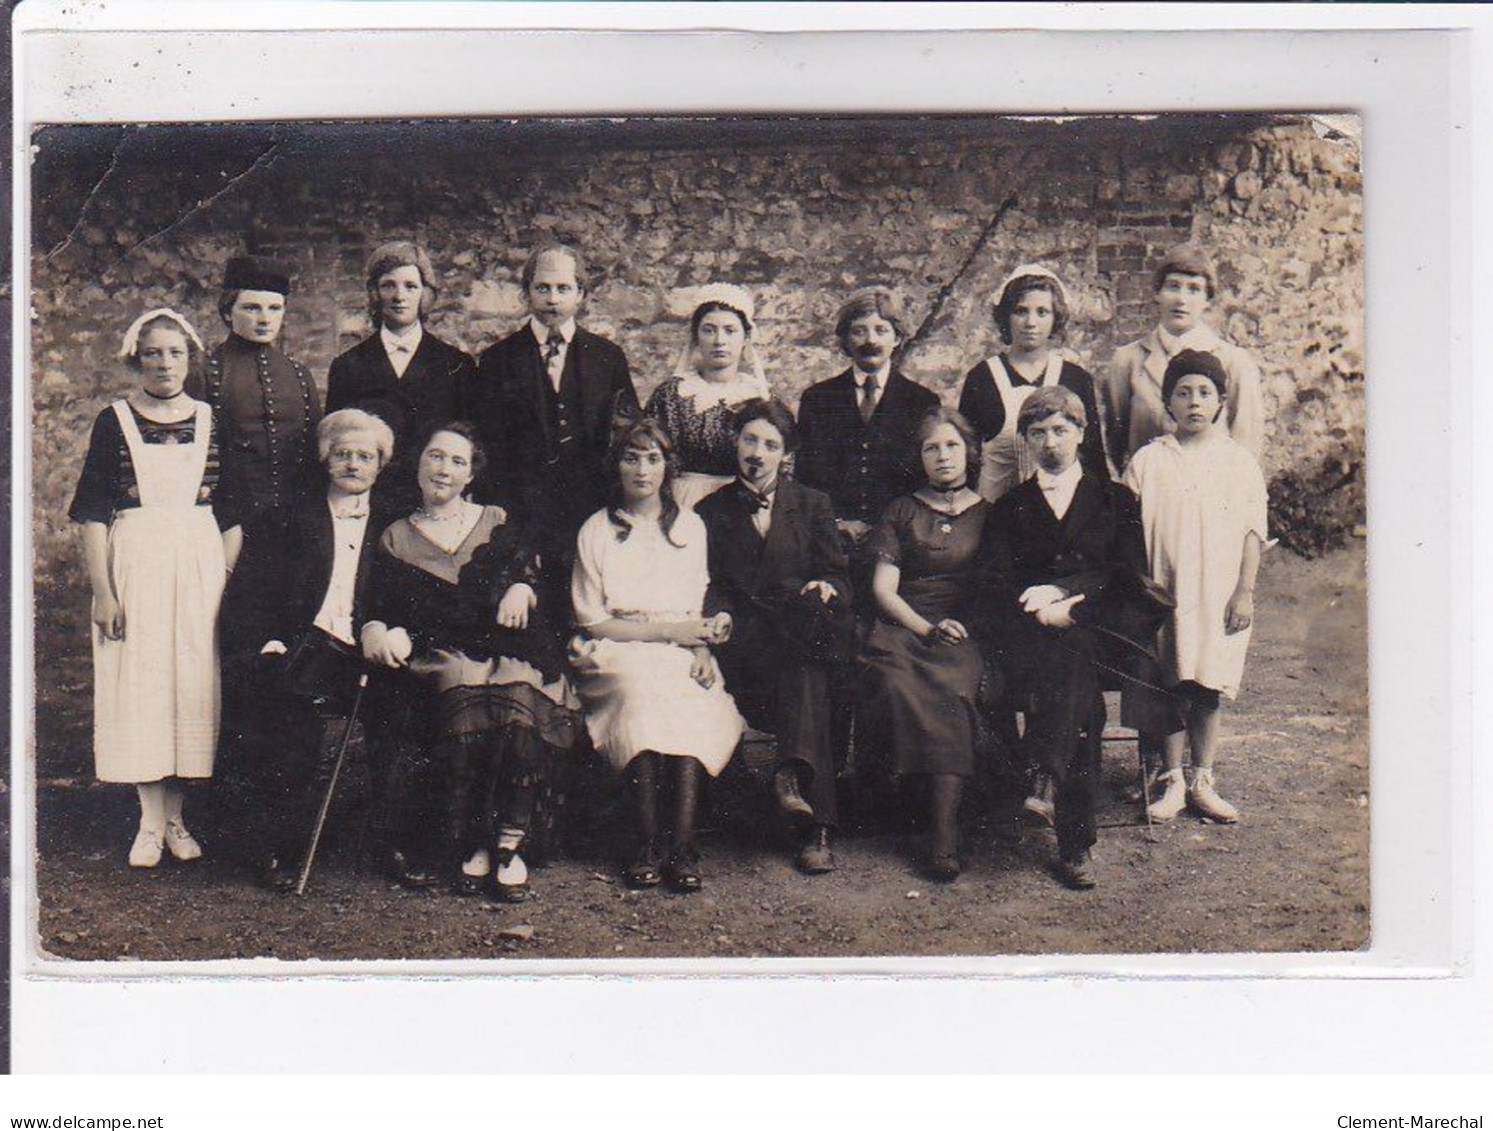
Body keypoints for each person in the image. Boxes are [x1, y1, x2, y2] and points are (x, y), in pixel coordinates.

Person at [361, 423, 579, 902]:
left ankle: (509, 843)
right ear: (417, 465)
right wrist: (383, 628)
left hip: (507, 644)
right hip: (441, 647)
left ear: (471, 475)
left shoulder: (496, 519)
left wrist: (522, 586)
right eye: (436, 457)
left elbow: (529, 572)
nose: (445, 469)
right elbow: (389, 605)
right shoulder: (396, 536)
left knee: (520, 696)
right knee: (464, 690)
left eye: (458, 462)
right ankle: (472, 840)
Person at [69, 308, 243, 867]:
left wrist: (222, 575)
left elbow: (233, 514)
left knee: (191, 682)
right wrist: (104, 590)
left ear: (189, 360)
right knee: (142, 684)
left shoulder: (214, 419)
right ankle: (147, 823)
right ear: (136, 360)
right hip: (135, 560)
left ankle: (177, 818)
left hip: (198, 560)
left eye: (174, 353)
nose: (164, 364)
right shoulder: (113, 420)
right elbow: (94, 513)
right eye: (153, 354)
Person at [980, 386, 1167, 890]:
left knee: (1077, 654)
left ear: (1082, 435)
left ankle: (1044, 776)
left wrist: (1069, 599)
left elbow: (1130, 578)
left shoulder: (1115, 499)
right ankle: (1075, 843)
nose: (1051, 443)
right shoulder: (1010, 506)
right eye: (1037, 433)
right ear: (1024, 441)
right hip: (1032, 638)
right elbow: (994, 584)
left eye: (1061, 431)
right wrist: (1038, 609)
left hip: (1102, 632)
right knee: (1077, 686)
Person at [220, 408, 398, 891]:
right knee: (287, 718)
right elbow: (252, 592)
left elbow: (408, 595)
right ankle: (276, 846)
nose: (353, 465)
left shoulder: (395, 524)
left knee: (406, 715)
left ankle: (394, 843)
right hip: (305, 645)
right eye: (343, 454)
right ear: (325, 460)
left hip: (370, 649)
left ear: (381, 465)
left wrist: (391, 631)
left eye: (365, 456)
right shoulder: (289, 517)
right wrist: (270, 642)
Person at [570, 420, 743, 893]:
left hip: (679, 645)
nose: (642, 469)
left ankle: (683, 845)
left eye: (653, 458)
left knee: (690, 695)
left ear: (668, 467)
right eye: (631, 457)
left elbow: (695, 602)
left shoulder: (690, 527)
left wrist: (701, 645)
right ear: (617, 465)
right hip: (616, 647)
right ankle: (645, 842)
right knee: (642, 692)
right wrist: (672, 632)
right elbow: (593, 620)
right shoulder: (597, 528)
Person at [697, 399, 853, 874]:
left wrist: (828, 585)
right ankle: (809, 811)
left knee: (810, 671)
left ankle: (796, 787)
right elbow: (707, 583)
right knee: (808, 674)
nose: (757, 453)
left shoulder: (811, 504)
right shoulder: (709, 510)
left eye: (770, 444)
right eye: (749, 440)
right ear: (734, 443)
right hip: (747, 646)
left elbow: (841, 578)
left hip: (801, 632)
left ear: (786, 453)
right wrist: (718, 613)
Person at [1123, 350, 1267, 824]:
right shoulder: (1149, 461)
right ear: (1168, 402)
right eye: (1183, 393)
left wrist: (1243, 590)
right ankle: (1172, 778)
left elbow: (1252, 530)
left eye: (1204, 392)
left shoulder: (1238, 462)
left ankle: (1203, 776)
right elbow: (1126, 531)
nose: (1194, 402)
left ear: (1221, 400)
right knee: (1170, 682)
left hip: (1218, 592)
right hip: (1164, 591)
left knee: (1207, 685)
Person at [468, 242, 639, 613]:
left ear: (581, 294)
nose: (552, 298)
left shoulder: (607, 358)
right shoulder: (498, 360)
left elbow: (628, 436)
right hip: (520, 510)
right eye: (542, 288)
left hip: (590, 507)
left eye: (563, 288)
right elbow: (483, 446)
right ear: (526, 292)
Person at [859, 407, 992, 882]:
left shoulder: (988, 514)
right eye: (931, 447)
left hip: (961, 628)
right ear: (919, 457)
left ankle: (943, 834)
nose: (942, 456)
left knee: (955, 687)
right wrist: (923, 628)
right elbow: (882, 591)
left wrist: (960, 624)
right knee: (895, 683)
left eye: (951, 445)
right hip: (904, 624)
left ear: (969, 452)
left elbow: (992, 590)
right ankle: (907, 809)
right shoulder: (901, 510)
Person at [795, 287, 940, 570]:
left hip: (899, 542)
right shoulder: (818, 399)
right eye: (859, 331)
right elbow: (806, 476)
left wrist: (888, 527)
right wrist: (836, 523)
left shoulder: (922, 402)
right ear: (845, 340)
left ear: (897, 337)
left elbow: (925, 480)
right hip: (832, 540)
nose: (870, 340)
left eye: (881, 330)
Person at [326, 241, 476, 510]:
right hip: (368, 504)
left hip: (434, 504)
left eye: (411, 286)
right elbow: (334, 444)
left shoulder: (457, 365)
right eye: (388, 285)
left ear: (425, 294)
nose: (399, 295)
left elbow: (469, 444)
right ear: (374, 293)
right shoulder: (348, 366)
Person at [1102, 243, 1265, 474]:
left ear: (1207, 299)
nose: (1181, 299)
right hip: (1149, 493)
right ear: (1157, 293)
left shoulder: (1234, 362)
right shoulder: (1127, 360)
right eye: (1173, 286)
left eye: (1194, 289)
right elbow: (1115, 443)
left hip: (1213, 495)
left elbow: (1246, 446)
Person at [191, 254, 323, 535]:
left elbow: (314, 455)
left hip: (294, 527)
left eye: (275, 308)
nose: (265, 319)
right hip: (227, 526)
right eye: (252, 308)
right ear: (228, 312)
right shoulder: (206, 374)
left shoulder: (299, 375)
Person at [957, 264, 1106, 502]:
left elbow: (1093, 457)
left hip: (1060, 513)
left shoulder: (1075, 378)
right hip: (994, 514)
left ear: (1055, 318)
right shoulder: (982, 377)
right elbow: (966, 459)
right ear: (1007, 315)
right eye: (1021, 311)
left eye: (1042, 312)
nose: (1030, 322)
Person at [644, 283, 772, 512]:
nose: (719, 340)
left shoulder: (760, 398)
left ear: (746, 338)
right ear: (695, 336)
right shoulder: (672, 395)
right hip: (683, 502)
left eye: (730, 330)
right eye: (709, 330)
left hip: (741, 506)